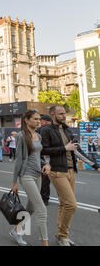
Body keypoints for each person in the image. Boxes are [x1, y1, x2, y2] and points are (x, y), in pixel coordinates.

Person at [41, 105, 100, 246]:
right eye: (60, 114)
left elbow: (76, 150)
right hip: (57, 171)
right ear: (53, 115)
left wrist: (95, 165)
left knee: (63, 204)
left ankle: (61, 236)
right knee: (71, 205)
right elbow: (43, 151)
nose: (64, 116)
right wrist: (64, 148)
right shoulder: (46, 130)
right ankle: (63, 235)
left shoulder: (67, 129)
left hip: (71, 171)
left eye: (64, 113)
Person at [10, 109, 50, 246]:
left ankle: (16, 230)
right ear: (26, 120)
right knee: (42, 209)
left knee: (31, 207)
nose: (38, 121)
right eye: (35, 119)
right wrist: (14, 182)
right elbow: (19, 160)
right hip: (26, 175)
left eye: (39, 119)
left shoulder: (38, 136)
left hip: (38, 175)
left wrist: (47, 164)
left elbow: (40, 156)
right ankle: (45, 243)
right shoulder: (21, 136)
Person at [37, 114, 52, 206]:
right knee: (46, 180)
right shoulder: (54, 130)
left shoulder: (40, 130)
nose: (39, 122)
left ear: (46, 121)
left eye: (40, 120)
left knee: (44, 180)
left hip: (44, 158)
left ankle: (44, 199)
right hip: (51, 158)